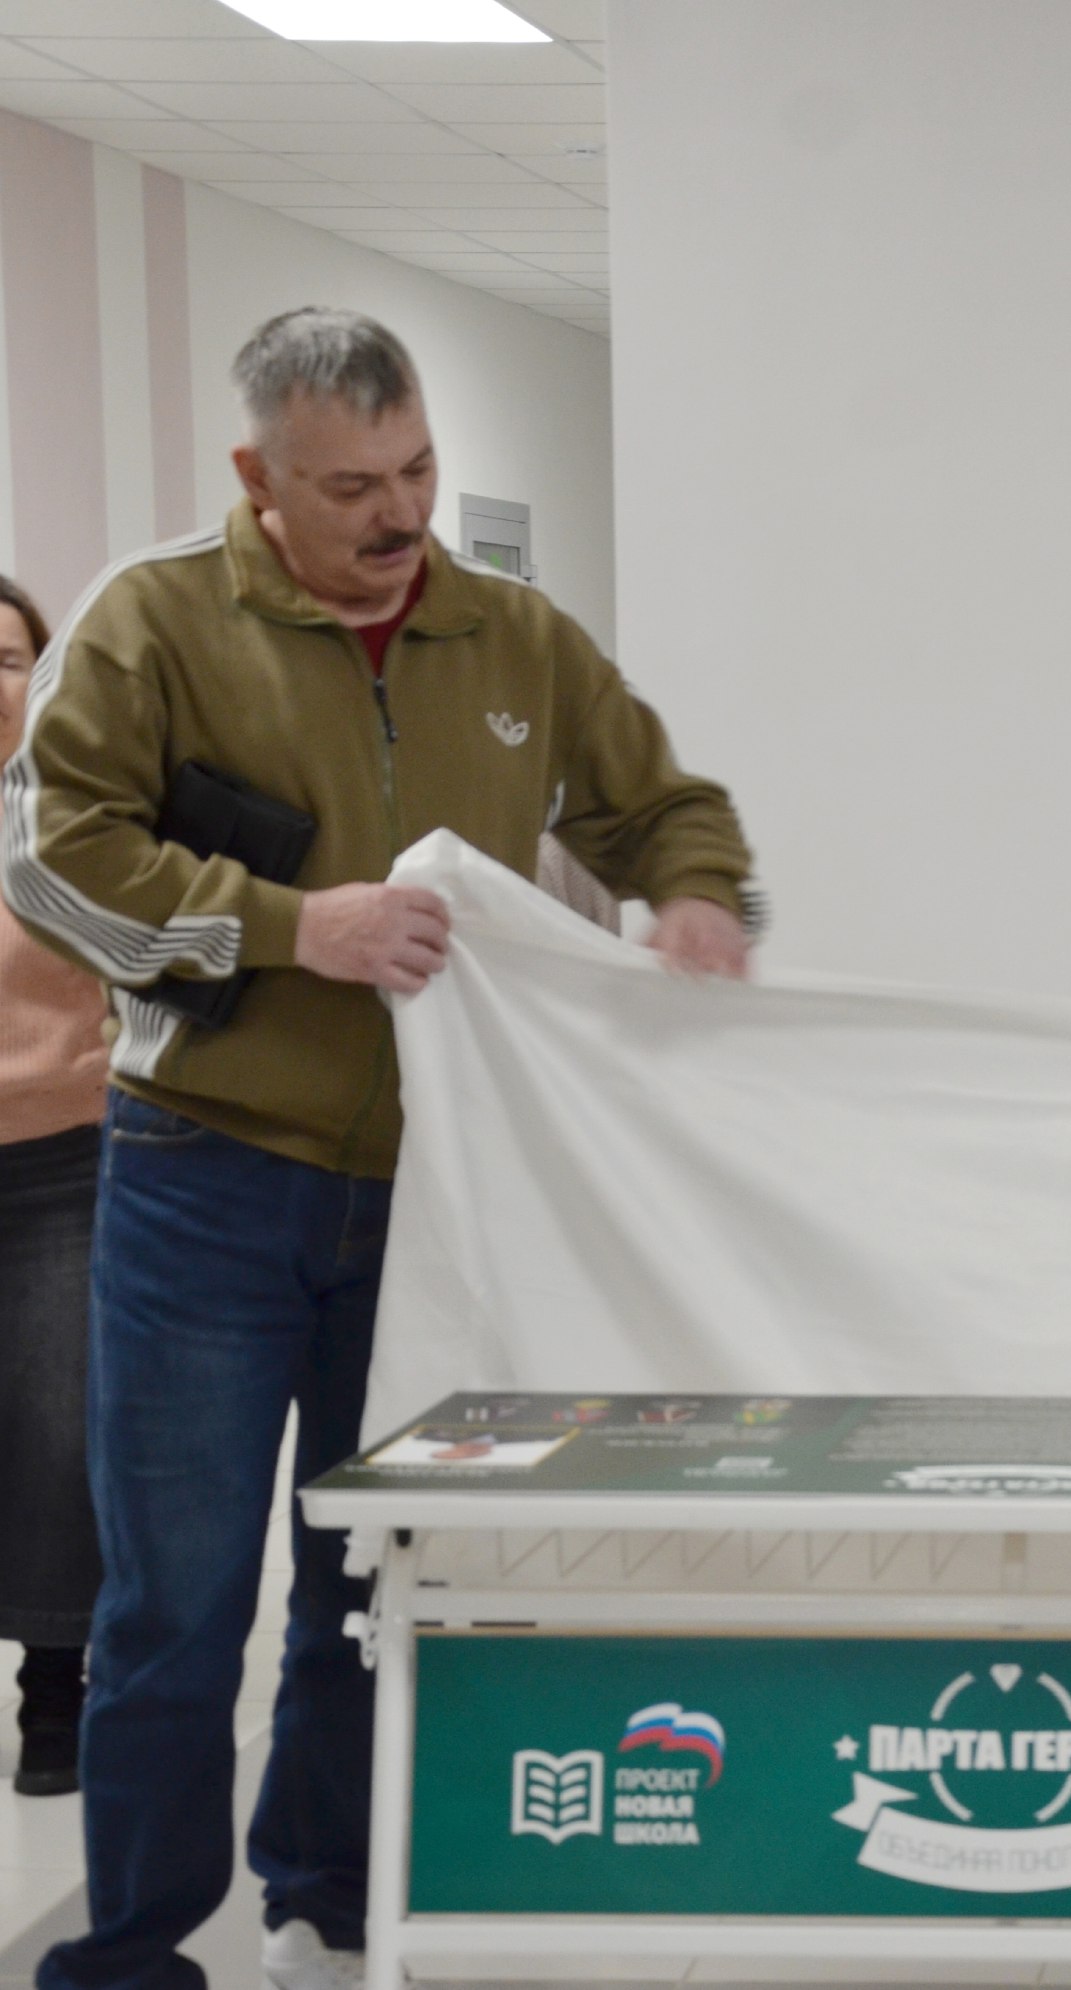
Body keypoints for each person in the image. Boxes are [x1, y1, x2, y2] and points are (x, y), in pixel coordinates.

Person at [1, 307, 759, 1990]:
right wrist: (293, 927)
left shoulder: (514, 636)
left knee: (372, 1574)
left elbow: (660, 806)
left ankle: (331, 1903)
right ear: (257, 475)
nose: (399, 514)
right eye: (352, 486)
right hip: (202, 1179)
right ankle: (127, 1954)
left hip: (433, 1188)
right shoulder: (151, 622)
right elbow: (53, 867)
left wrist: (696, 895)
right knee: (176, 1604)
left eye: (418, 469)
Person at [0, 572, 107, 1800]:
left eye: (7, 656)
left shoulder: (76, 813)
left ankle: (54, 1690)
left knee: (54, 1430)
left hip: (62, 1161)